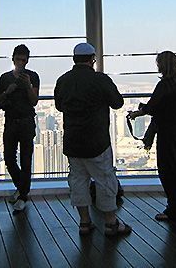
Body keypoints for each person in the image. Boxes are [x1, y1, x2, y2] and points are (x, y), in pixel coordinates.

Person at [54, 42, 131, 236]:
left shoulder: (63, 80)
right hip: (97, 141)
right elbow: (117, 103)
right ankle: (111, 224)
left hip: (73, 141)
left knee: (78, 181)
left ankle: (84, 222)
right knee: (105, 180)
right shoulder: (100, 80)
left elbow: (59, 106)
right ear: (92, 59)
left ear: (74, 59)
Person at [128, 51, 176, 221]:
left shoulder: (164, 85)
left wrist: (137, 113)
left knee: (167, 171)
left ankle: (174, 209)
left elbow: (153, 106)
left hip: (167, 132)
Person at [0, 45, 40, 214]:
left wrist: (27, 85)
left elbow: (34, 101)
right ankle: (22, 189)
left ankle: (22, 195)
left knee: (26, 159)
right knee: (9, 158)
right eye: (18, 59)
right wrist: (7, 92)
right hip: (11, 121)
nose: (21, 62)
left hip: (26, 121)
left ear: (27, 60)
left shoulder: (32, 77)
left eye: (24, 59)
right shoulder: (5, 78)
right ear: (13, 58)